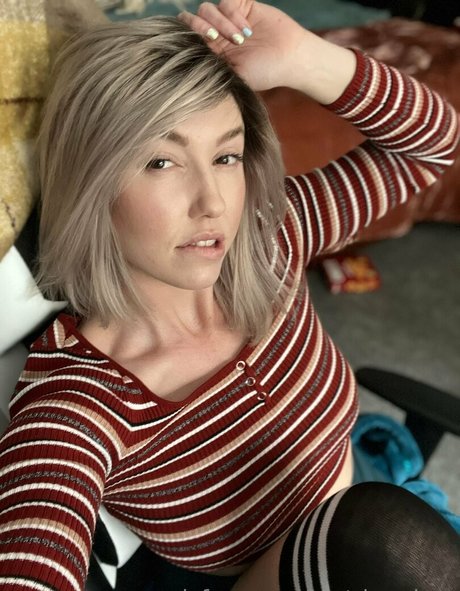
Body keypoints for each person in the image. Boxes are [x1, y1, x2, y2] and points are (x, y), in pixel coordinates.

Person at [0, 1, 459, 590]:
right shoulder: (76, 405)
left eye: (225, 156)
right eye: (161, 162)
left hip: (382, 500)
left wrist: (305, 59)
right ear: (91, 182)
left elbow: (432, 145)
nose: (212, 203)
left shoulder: (268, 241)